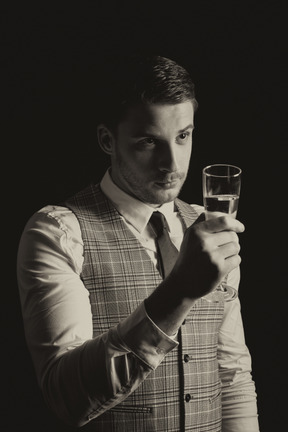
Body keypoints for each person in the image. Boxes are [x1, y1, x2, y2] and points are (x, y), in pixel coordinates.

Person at [17, 54, 259, 432]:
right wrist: (179, 290)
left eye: (183, 136)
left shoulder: (208, 227)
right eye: (149, 141)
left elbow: (232, 375)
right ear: (106, 140)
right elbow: (66, 398)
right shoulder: (56, 233)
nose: (172, 163)